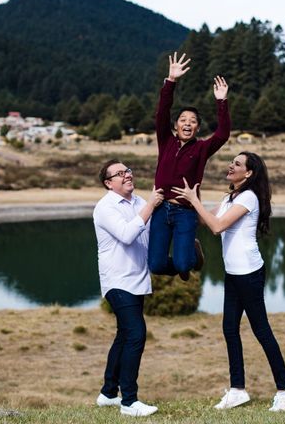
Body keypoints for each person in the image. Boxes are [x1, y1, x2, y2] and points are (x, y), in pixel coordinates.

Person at [171, 152, 285, 412]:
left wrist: (195, 201)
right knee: (230, 328)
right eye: (233, 162)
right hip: (233, 273)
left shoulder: (249, 198)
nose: (231, 166)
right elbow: (206, 220)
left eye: (238, 164)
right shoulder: (229, 197)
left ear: (249, 173)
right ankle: (238, 390)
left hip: (249, 273)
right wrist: (182, 205)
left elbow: (218, 227)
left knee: (261, 330)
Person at [148, 52, 231, 281]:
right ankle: (182, 266)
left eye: (192, 121)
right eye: (183, 120)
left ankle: (191, 257)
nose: (187, 123)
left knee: (186, 263)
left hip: (185, 211)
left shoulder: (202, 148)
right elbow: (161, 112)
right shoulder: (165, 140)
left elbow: (223, 134)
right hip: (160, 208)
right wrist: (171, 81)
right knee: (155, 264)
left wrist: (221, 101)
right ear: (176, 125)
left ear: (197, 128)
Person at [93, 159, 164, 417]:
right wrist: (152, 205)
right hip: (117, 281)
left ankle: (108, 393)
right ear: (108, 183)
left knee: (124, 335)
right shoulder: (105, 207)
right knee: (136, 334)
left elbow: (151, 234)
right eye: (119, 174)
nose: (127, 175)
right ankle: (129, 402)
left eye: (128, 171)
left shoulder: (139, 202)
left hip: (137, 280)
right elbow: (126, 234)